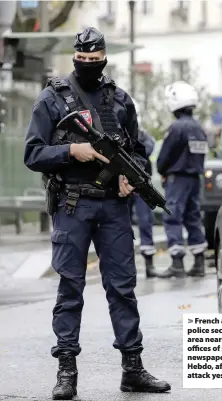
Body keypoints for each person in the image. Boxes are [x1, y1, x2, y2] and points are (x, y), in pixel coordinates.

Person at [24, 27, 171, 399]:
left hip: (114, 206)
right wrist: (72, 152)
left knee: (122, 288)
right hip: (73, 204)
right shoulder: (52, 99)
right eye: (83, 59)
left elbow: (138, 152)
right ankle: (67, 372)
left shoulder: (119, 100)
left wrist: (131, 179)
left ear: (105, 57)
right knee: (70, 288)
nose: (89, 64)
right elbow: (33, 154)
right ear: (76, 57)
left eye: (96, 59)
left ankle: (132, 369)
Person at [156, 81, 208, 279]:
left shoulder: (177, 127)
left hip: (177, 179)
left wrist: (162, 169)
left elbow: (165, 156)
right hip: (195, 179)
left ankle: (177, 263)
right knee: (193, 217)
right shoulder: (199, 128)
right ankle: (199, 262)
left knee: (172, 217)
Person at [131, 98, 157, 278]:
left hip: (141, 187)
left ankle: (149, 264)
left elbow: (147, 148)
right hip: (120, 189)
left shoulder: (144, 137)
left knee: (145, 222)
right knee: (119, 225)